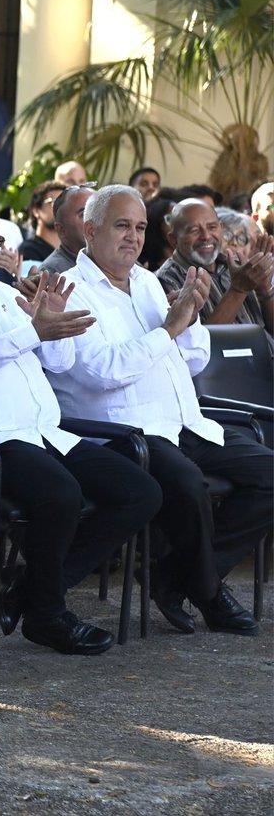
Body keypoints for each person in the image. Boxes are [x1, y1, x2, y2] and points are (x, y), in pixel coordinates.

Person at [0, 194, 162, 655]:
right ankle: (46, 614)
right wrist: (33, 331)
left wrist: (52, 324)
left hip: (40, 434)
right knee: (60, 494)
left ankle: (28, 587)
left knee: (140, 491)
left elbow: (57, 362)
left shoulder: (4, 294)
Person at [49, 184, 272, 636]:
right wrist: (169, 328)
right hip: (123, 431)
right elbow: (104, 371)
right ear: (90, 231)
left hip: (182, 421)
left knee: (269, 474)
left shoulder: (148, 282)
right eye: (121, 226)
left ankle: (174, 576)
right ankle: (208, 591)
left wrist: (189, 320)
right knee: (188, 484)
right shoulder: (70, 291)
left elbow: (194, 361)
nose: (133, 237)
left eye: (139, 227)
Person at [153, 199, 274, 342]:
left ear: (221, 229)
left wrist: (265, 290)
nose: (206, 236)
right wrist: (238, 290)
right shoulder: (165, 280)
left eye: (212, 227)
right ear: (174, 240)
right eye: (194, 230)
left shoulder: (239, 266)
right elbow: (201, 345)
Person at [39, 184, 95, 274]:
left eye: (99, 211)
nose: (97, 219)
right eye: (84, 214)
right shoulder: (53, 273)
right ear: (61, 230)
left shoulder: (115, 259)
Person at [19, 180, 65, 264]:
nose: (60, 207)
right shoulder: (28, 251)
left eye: (64, 202)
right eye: (53, 201)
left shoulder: (75, 251)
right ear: (36, 211)